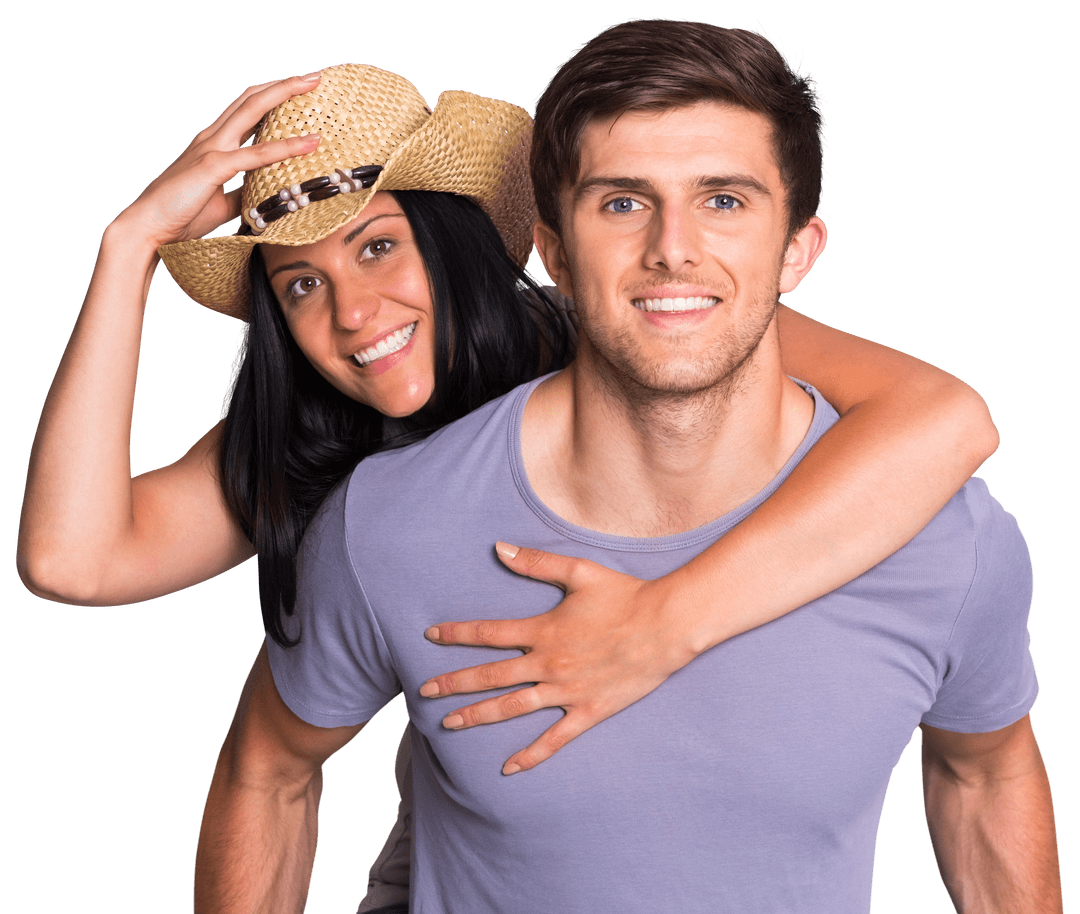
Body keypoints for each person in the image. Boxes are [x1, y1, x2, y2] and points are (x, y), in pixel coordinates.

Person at [16, 61, 1002, 911]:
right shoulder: (318, 432)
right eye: (301, 283)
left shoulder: (631, 336)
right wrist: (128, 250)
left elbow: (946, 417)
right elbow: (71, 558)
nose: (353, 311)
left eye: (377, 245)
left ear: (452, 236)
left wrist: (662, 624)